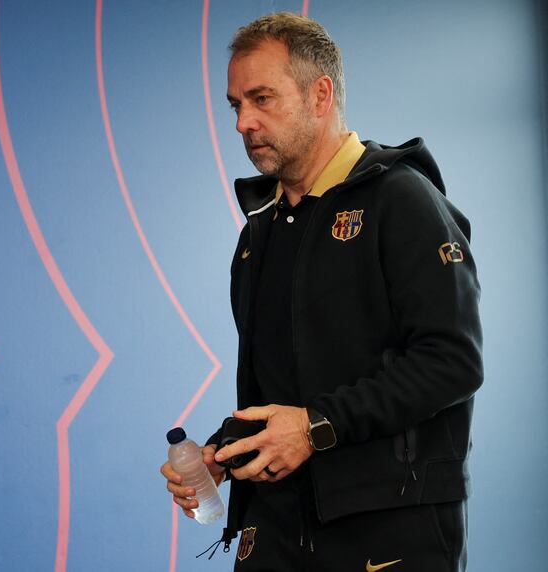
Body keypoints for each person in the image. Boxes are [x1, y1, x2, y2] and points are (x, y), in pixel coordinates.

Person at [160, 11, 482, 572]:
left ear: (320, 94)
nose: (243, 122)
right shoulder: (260, 230)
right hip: (276, 527)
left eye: (262, 99)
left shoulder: (401, 199)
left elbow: (452, 362)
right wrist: (224, 451)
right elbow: (291, 386)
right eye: (236, 105)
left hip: (389, 527)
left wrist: (316, 428)